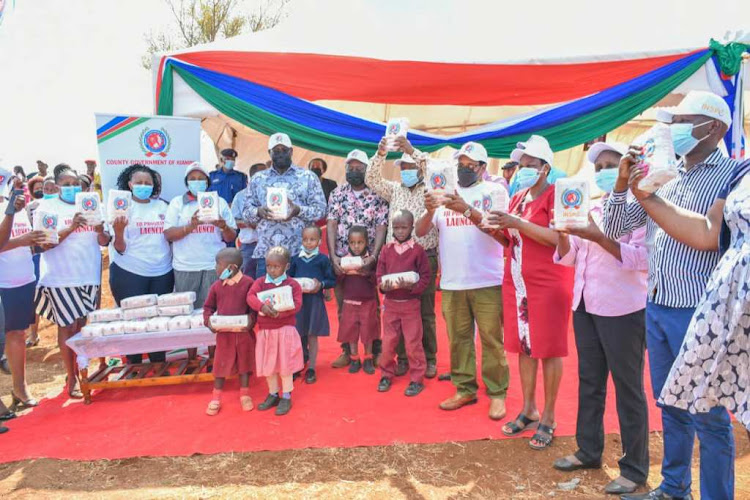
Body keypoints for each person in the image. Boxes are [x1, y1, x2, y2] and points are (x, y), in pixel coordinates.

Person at [602, 90, 738, 500]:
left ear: (713, 127)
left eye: (683, 121)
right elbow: (615, 227)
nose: (674, 129)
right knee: (672, 404)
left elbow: (707, 237)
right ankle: (674, 487)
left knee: (708, 414)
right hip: (658, 303)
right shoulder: (665, 170)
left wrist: (649, 195)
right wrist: (625, 182)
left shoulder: (731, 175)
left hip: (700, 310)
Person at [551, 142, 649, 495]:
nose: (605, 170)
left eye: (612, 163)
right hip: (586, 305)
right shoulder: (590, 205)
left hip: (623, 310)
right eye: (600, 165)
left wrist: (596, 234)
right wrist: (564, 234)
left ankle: (634, 468)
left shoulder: (641, 207)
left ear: (627, 168)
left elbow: (641, 259)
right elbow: (570, 256)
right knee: (590, 381)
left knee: (628, 389)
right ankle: (589, 450)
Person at [485, 135, 573, 449]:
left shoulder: (556, 195)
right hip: (518, 283)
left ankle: (548, 416)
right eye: (521, 165)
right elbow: (510, 241)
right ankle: (528, 408)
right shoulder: (518, 196)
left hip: (549, 282)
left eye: (530, 165)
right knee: (523, 348)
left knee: (548, 349)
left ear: (545, 168)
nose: (523, 170)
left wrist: (517, 222)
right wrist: (495, 227)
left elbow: (556, 239)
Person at [415, 141, 510, 421]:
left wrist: (466, 209)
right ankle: (464, 387)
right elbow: (421, 232)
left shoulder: (494, 191)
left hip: (487, 279)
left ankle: (497, 393)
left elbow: (501, 236)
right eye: (461, 165)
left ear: (482, 168)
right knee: (458, 339)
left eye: (471, 165)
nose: (465, 169)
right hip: (453, 281)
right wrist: (430, 209)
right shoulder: (443, 193)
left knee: (492, 339)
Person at [365, 136, 440, 379]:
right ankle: (403, 359)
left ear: (419, 169)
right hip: (395, 258)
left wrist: (412, 152)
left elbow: (437, 170)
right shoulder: (395, 189)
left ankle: (429, 359)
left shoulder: (431, 188)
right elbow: (372, 179)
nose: (406, 171)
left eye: (410, 167)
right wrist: (381, 153)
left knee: (424, 311)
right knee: (396, 309)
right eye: (403, 168)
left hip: (423, 257)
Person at [34, 164, 111, 398]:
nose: (72, 188)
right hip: (61, 279)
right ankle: (71, 378)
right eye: (66, 185)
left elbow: (105, 240)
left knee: (82, 326)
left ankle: (83, 371)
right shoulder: (46, 208)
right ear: (56, 186)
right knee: (67, 327)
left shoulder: (91, 204)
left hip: (88, 275)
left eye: (75, 184)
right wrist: (70, 227)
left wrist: (99, 228)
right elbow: (44, 244)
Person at [327, 149, 388, 368]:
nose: (354, 171)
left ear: (367, 169)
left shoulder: (377, 193)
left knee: (371, 307)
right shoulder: (337, 193)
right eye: (350, 168)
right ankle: (347, 351)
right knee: (345, 307)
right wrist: (333, 254)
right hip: (343, 262)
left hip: (368, 262)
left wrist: (374, 256)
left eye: (358, 168)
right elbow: (332, 223)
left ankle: (374, 351)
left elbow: (382, 226)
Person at [109, 164, 174, 365]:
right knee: (132, 321)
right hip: (129, 272)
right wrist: (119, 231)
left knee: (158, 321)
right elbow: (119, 248)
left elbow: (171, 237)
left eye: (148, 183)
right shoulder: (121, 208)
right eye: (139, 183)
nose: (143, 186)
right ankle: (134, 364)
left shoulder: (163, 207)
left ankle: (158, 362)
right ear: (130, 184)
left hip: (162, 271)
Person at [243, 133, 326, 278]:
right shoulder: (258, 179)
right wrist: (258, 212)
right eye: (276, 151)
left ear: (291, 151)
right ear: (269, 153)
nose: (280, 154)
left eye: (284, 150)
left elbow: (321, 210)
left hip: (300, 253)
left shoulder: (308, 177)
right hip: (267, 254)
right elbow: (245, 212)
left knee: (299, 299)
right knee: (267, 298)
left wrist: (298, 210)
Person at [164, 162, 237, 311]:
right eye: (192, 178)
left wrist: (223, 226)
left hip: (214, 267)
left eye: (201, 178)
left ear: (207, 182)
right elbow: (169, 235)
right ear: (187, 182)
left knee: (214, 311)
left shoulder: (219, 202)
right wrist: (191, 226)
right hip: (185, 268)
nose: (197, 182)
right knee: (187, 313)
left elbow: (231, 237)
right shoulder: (177, 203)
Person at [0, 181, 44, 417]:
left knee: (18, 334)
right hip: (2, 284)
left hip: (23, 279)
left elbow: (27, 242)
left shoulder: (19, 208)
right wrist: (22, 241)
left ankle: (20, 387)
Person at [376, 210, 431, 396]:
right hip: (390, 304)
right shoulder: (386, 249)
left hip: (411, 304)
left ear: (411, 227)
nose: (400, 231)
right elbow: (379, 274)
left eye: (404, 227)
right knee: (388, 343)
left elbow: (425, 276)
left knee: (413, 343)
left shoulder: (417, 250)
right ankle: (386, 374)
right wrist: (383, 286)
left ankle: (417, 378)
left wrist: (413, 289)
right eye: (396, 227)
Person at [247, 246, 304, 416]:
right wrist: (262, 306)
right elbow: (250, 297)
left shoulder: (292, 284)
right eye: (269, 266)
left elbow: (297, 304)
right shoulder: (260, 282)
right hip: (266, 331)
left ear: (286, 266)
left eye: (276, 266)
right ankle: (273, 393)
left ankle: (286, 395)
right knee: (269, 364)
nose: (271, 270)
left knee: (286, 364)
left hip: (284, 330)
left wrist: (280, 313)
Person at [203, 248, 257, 415]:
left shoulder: (249, 283)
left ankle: (245, 394)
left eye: (218, 264)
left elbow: (253, 308)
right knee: (220, 365)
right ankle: (216, 397)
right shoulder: (217, 286)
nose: (216, 268)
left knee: (244, 365)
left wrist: (250, 321)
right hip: (224, 335)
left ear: (232, 268)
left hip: (243, 335)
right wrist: (209, 322)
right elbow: (208, 307)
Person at [289, 225, 335, 384]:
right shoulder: (295, 258)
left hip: (315, 301)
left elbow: (331, 280)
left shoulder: (322, 259)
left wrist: (321, 285)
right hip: (298, 302)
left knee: (312, 334)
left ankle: (312, 368)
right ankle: (298, 364)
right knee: (298, 333)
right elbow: (289, 279)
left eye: (312, 239)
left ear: (319, 241)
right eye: (305, 239)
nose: (308, 243)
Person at [336, 226, 380, 374]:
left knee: (368, 332)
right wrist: (342, 271)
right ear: (348, 243)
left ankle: (368, 358)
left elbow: (376, 279)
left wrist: (366, 272)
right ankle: (354, 358)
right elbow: (339, 280)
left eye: (360, 242)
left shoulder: (370, 260)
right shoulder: (345, 260)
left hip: (368, 302)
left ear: (366, 242)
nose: (356, 246)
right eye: (353, 242)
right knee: (351, 332)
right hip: (349, 302)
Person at [232, 163, 266, 277]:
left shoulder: (272, 195)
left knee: (265, 279)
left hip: (267, 244)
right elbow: (233, 221)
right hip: (248, 246)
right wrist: (248, 224)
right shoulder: (240, 196)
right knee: (247, 277)